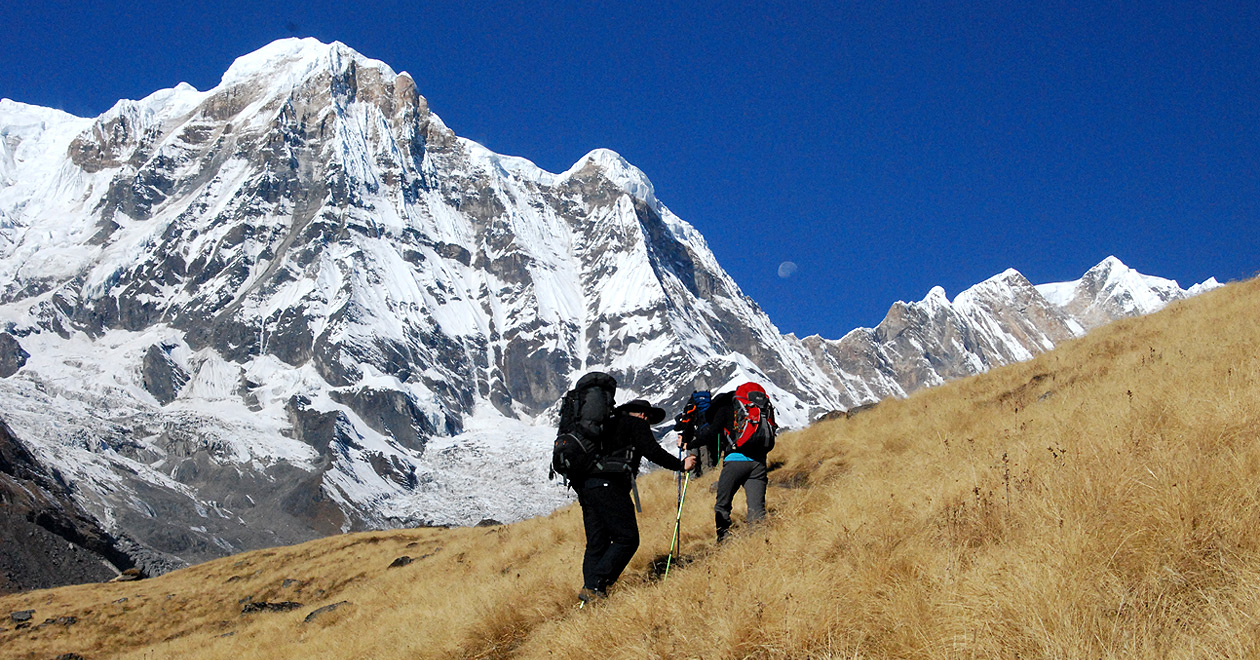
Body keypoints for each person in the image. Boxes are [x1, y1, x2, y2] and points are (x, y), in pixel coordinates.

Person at [576, 399, 696, 604]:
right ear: (642, 414)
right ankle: (596, 584)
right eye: (648, 418)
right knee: (627, 538)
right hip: (611, 486)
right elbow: (652, 451)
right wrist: (680, 465)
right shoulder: (635, 424)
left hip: (586, 487)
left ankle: (591, 597)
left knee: (597, 543)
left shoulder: (603, 426)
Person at [695, 385, 775, 542]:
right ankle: (757, 543)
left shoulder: (725, 409)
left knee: (722, 504)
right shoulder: (757, 408)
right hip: (758, 463)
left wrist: (688, 444)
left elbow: (711, 433)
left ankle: (723, 538)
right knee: (757, 508)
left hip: (735, 462)